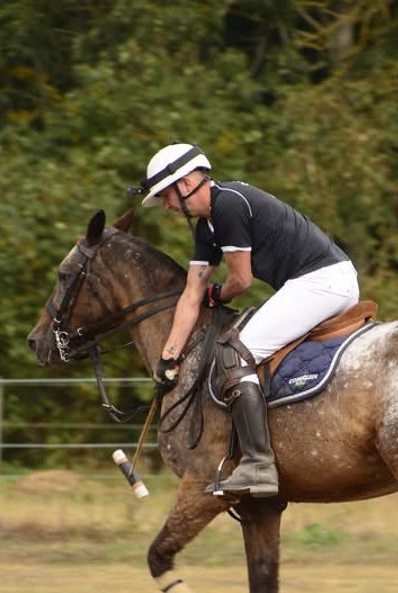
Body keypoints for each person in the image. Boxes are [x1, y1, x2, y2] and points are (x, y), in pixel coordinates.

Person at [138, 142, 360, 498]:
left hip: (322, 282)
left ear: (186, 183)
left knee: (234, 352)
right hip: (317, 283)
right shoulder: (207, 227)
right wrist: (169, 356)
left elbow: (240, 281)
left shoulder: (228, 205)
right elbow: (192, 294)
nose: (166, 206)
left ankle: (258, 464)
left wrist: (219, 294)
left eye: (165, 195)